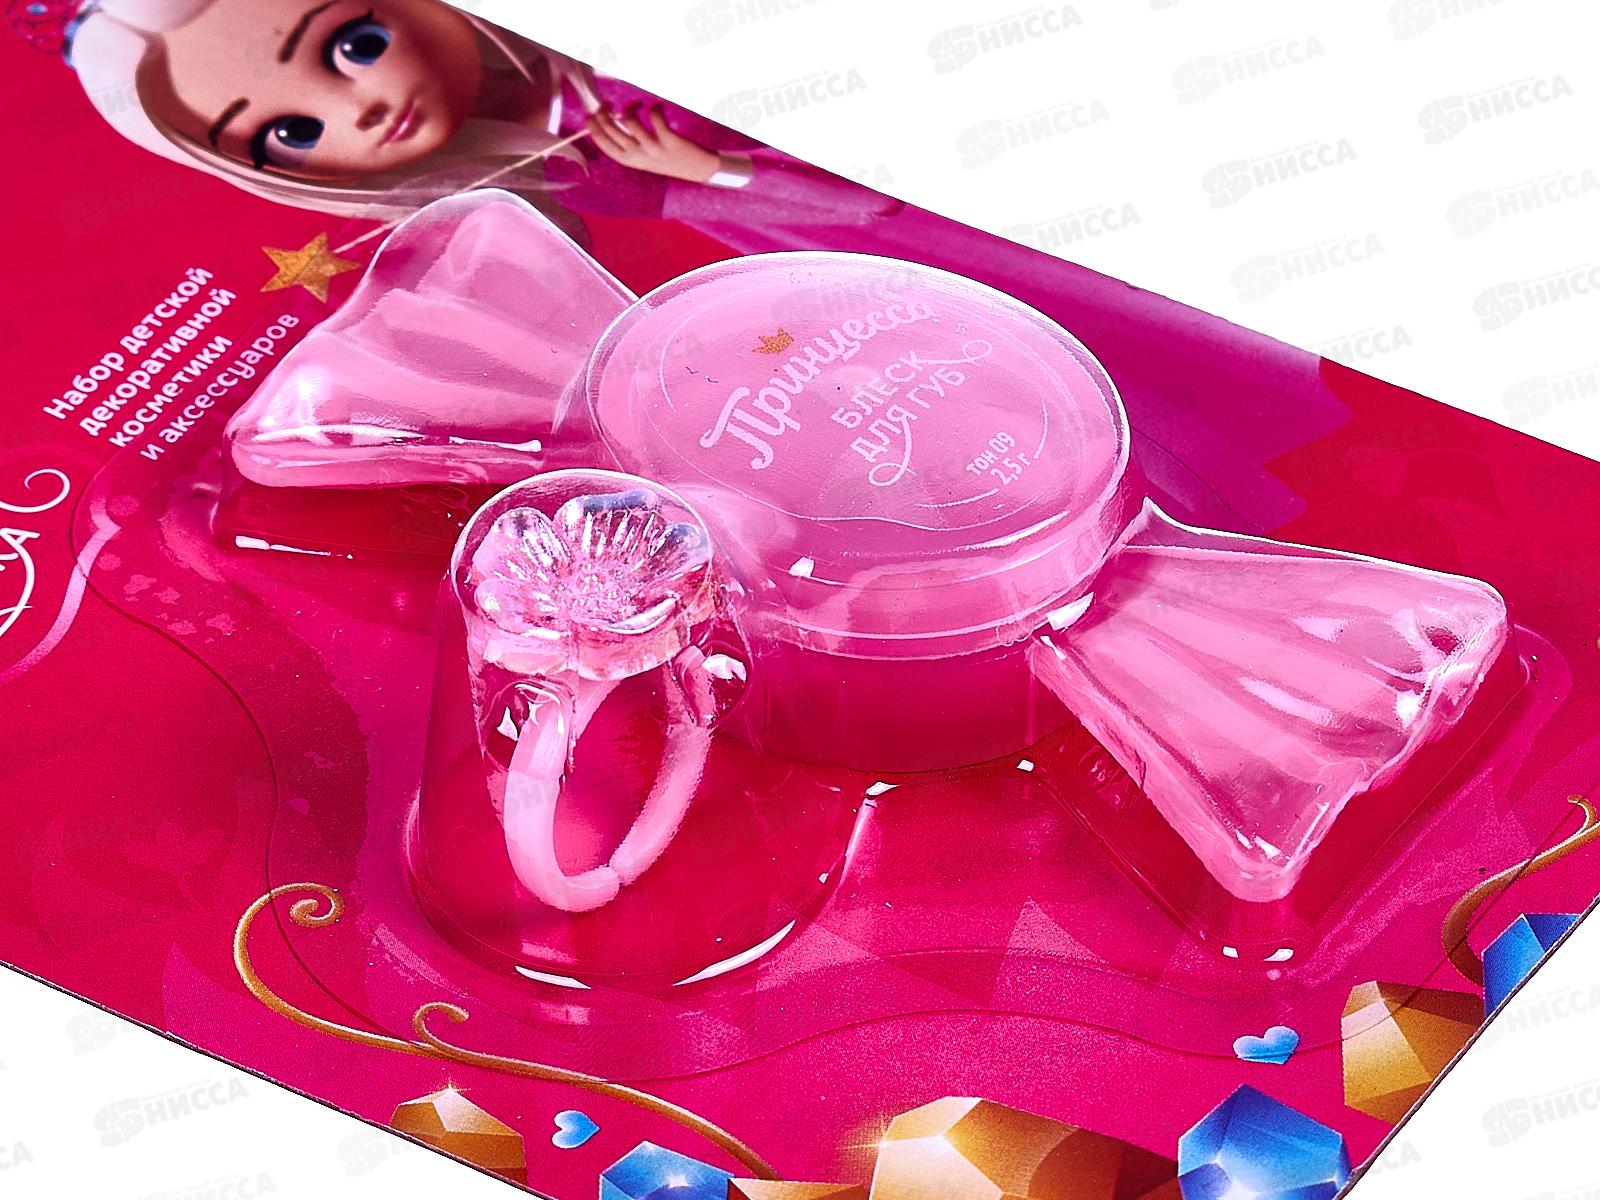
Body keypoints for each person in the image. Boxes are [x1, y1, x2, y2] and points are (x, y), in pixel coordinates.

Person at [64, 0, 898, 233]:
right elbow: (866, 214)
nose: (365, 108)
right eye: (291, 135)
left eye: (355, 43)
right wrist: (710, 173)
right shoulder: (587, 171)